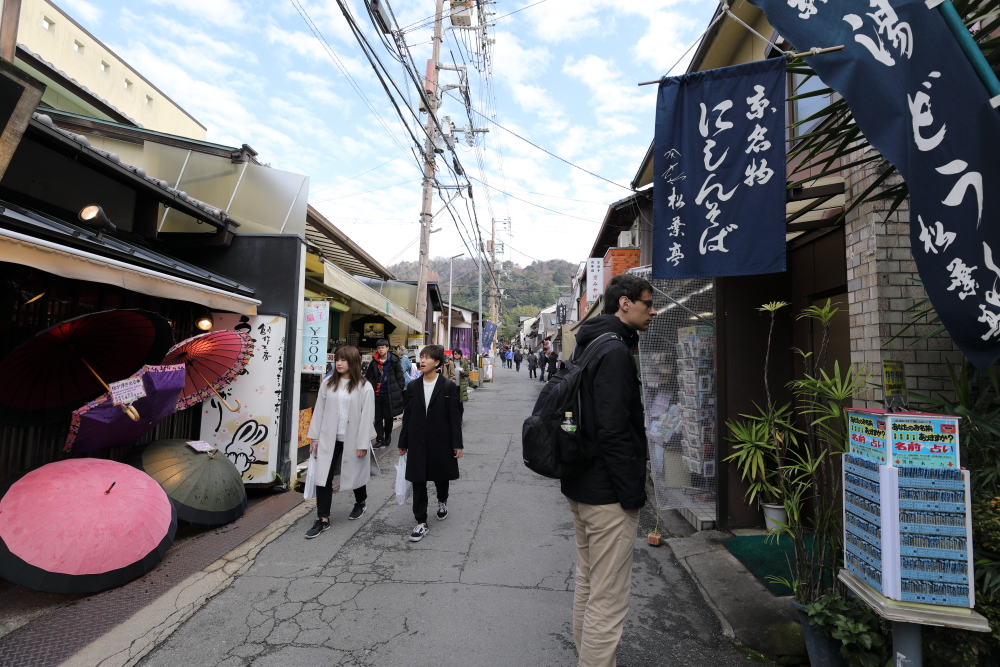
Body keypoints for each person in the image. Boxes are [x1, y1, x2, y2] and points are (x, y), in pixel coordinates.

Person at [562, 272, 656, 667]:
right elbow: (614, 430)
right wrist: (632, 495)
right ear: (625, 303)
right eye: (648, 303)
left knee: (589, 580)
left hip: (580, 483)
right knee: (608, 596)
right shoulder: (615, 351)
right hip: (607, 495)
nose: (653, 311)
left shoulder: (587, 344)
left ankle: (587, 657)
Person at [305, 346, 376, 538]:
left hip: (353, 438)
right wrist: (314, 437)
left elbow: (367, 416)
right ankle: (323, 519)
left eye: (343, 360)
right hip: (329, 437)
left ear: (353, 362)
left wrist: (363, 444)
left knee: (354, 471)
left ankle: (360, 502)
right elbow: (319, 410)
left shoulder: (364, 386)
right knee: (323, 476)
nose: (339, 363)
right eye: (337, 359)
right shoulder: (328, 383)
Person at [398, 344, 463, 542]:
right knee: (418, 480)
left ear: (437, 362)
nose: (422, 361)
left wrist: (457, 444)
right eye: (421, 357)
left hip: (441, 440)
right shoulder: (413, 386)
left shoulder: (447, 386)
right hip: (417, 441)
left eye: (427, 358)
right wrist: (403, 442)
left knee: (441, 477)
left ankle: (442, 500)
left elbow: (455, 418)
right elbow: (407, 417)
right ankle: (421, 521)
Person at [363, 339, 405, 449]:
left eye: (382, 347)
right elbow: (369, 377)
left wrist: (398, 391)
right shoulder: (374, 362)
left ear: (387, 348)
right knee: (377, 418)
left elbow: (400, 378)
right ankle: (379, 439)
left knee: (388, 418)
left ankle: (387, 436)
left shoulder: (394, 361)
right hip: (376, 394)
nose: (380, 350)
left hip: (389, 394)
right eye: (378, 348)